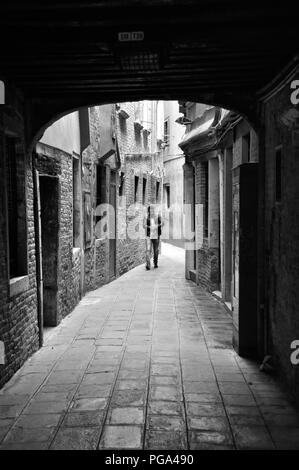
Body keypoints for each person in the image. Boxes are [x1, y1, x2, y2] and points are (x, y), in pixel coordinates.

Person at [143, 205, 162, 270]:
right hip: (148, 235)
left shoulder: (157, 216)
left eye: (152, 209)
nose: (151, 211)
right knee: (148, 250)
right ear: (148, 211)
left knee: (156, 251)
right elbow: (144, 225)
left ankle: (155, 263)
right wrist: (149, 227)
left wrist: (157, 226)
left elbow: (162, 223)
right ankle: (148, 265)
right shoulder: (146, 217)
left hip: (156, 236)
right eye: (150, 210)